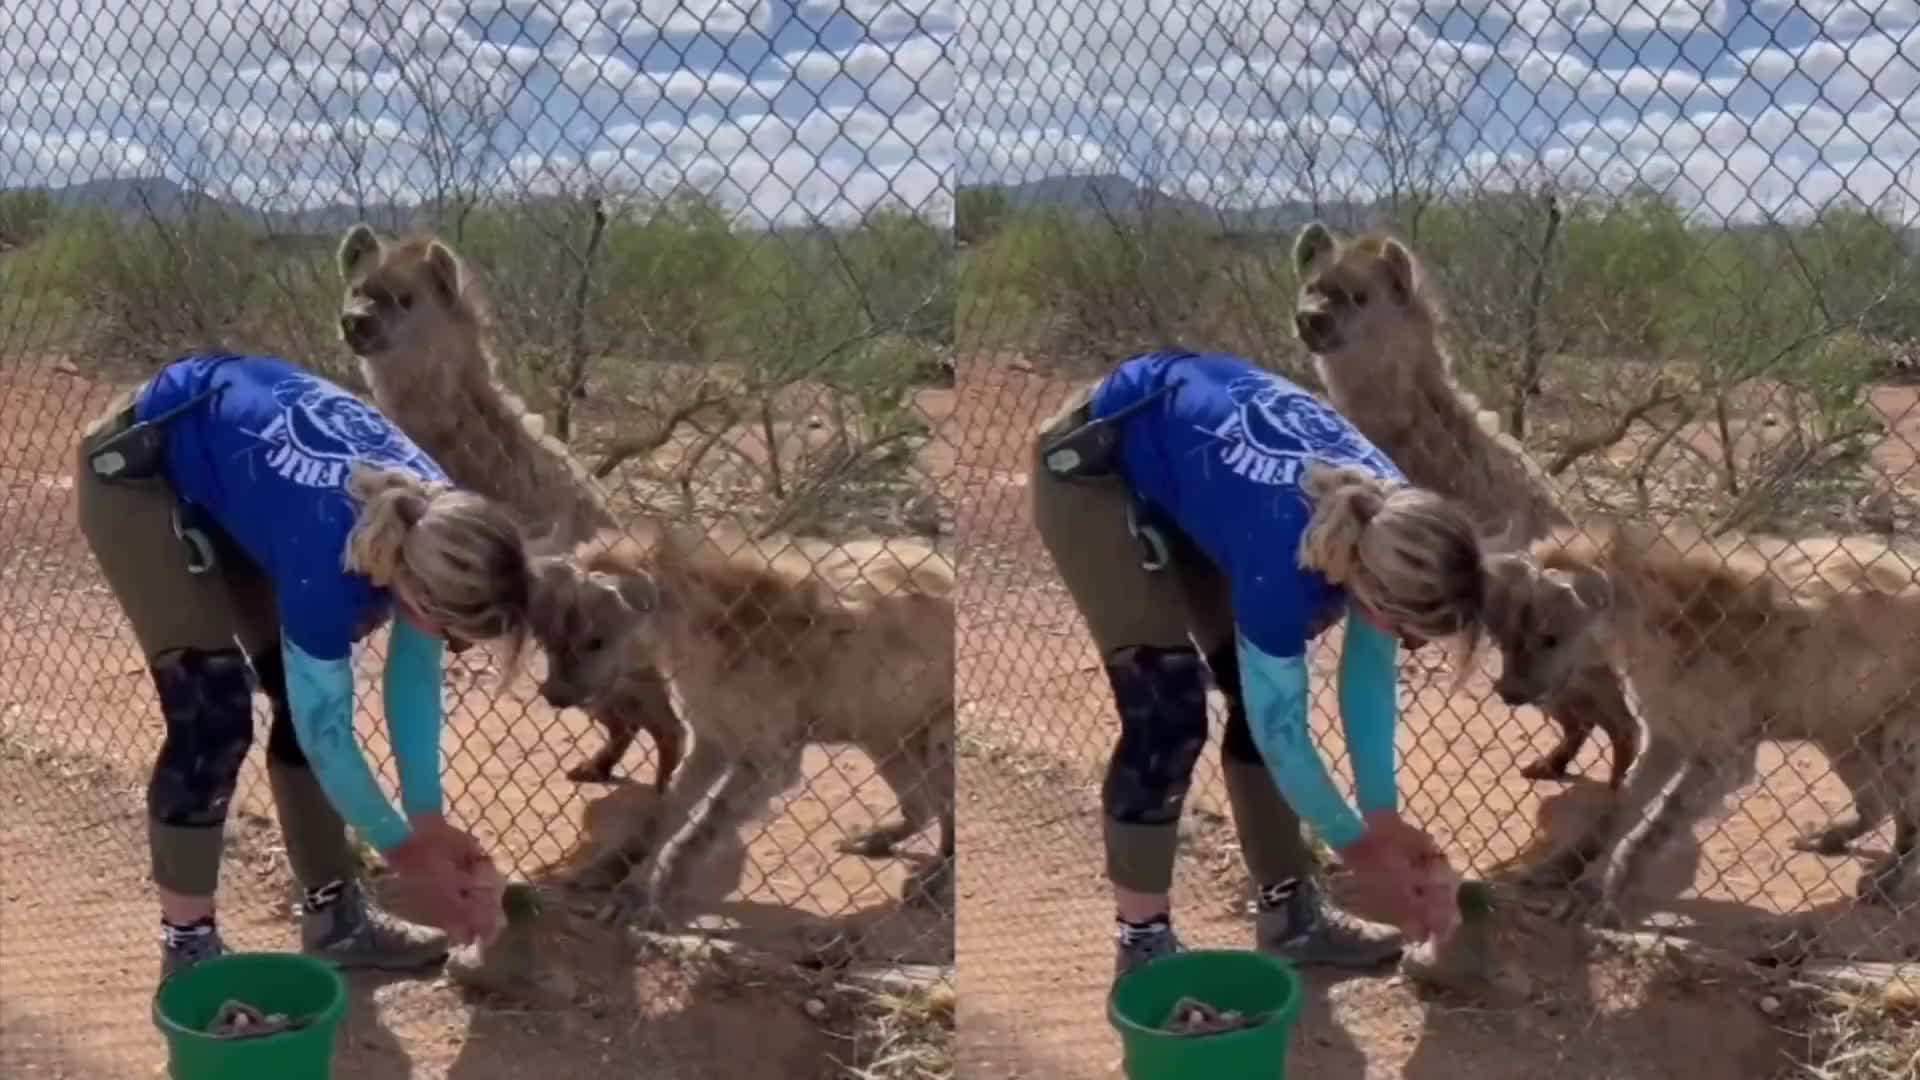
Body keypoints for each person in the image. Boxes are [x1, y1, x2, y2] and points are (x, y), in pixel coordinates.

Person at [73, 350, 529, 982]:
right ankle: (188, 947)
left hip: (234, 476)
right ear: (416, 589)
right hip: (140, 470)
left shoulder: (435, 521)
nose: (451, 649)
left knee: (297, 692)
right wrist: (402, 852)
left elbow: (414, 675)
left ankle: (334, 920)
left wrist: (427, 822)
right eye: (452, 633)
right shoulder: (331, 560)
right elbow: (327, 730)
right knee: (214, 712)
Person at [1030, 348, 1485, 979]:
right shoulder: (1287, 561)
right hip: (1095, 466)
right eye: (1407, 633)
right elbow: (1283, 732)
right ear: (1370, 585)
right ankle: (1142, 944)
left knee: (1253, 691)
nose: (1403, 647)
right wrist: (1356, 849)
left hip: (1191, 470)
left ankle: (1289, 918)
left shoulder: (1392, 521)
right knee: (1167, 709)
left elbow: (1369, 677)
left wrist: (1381, 818)